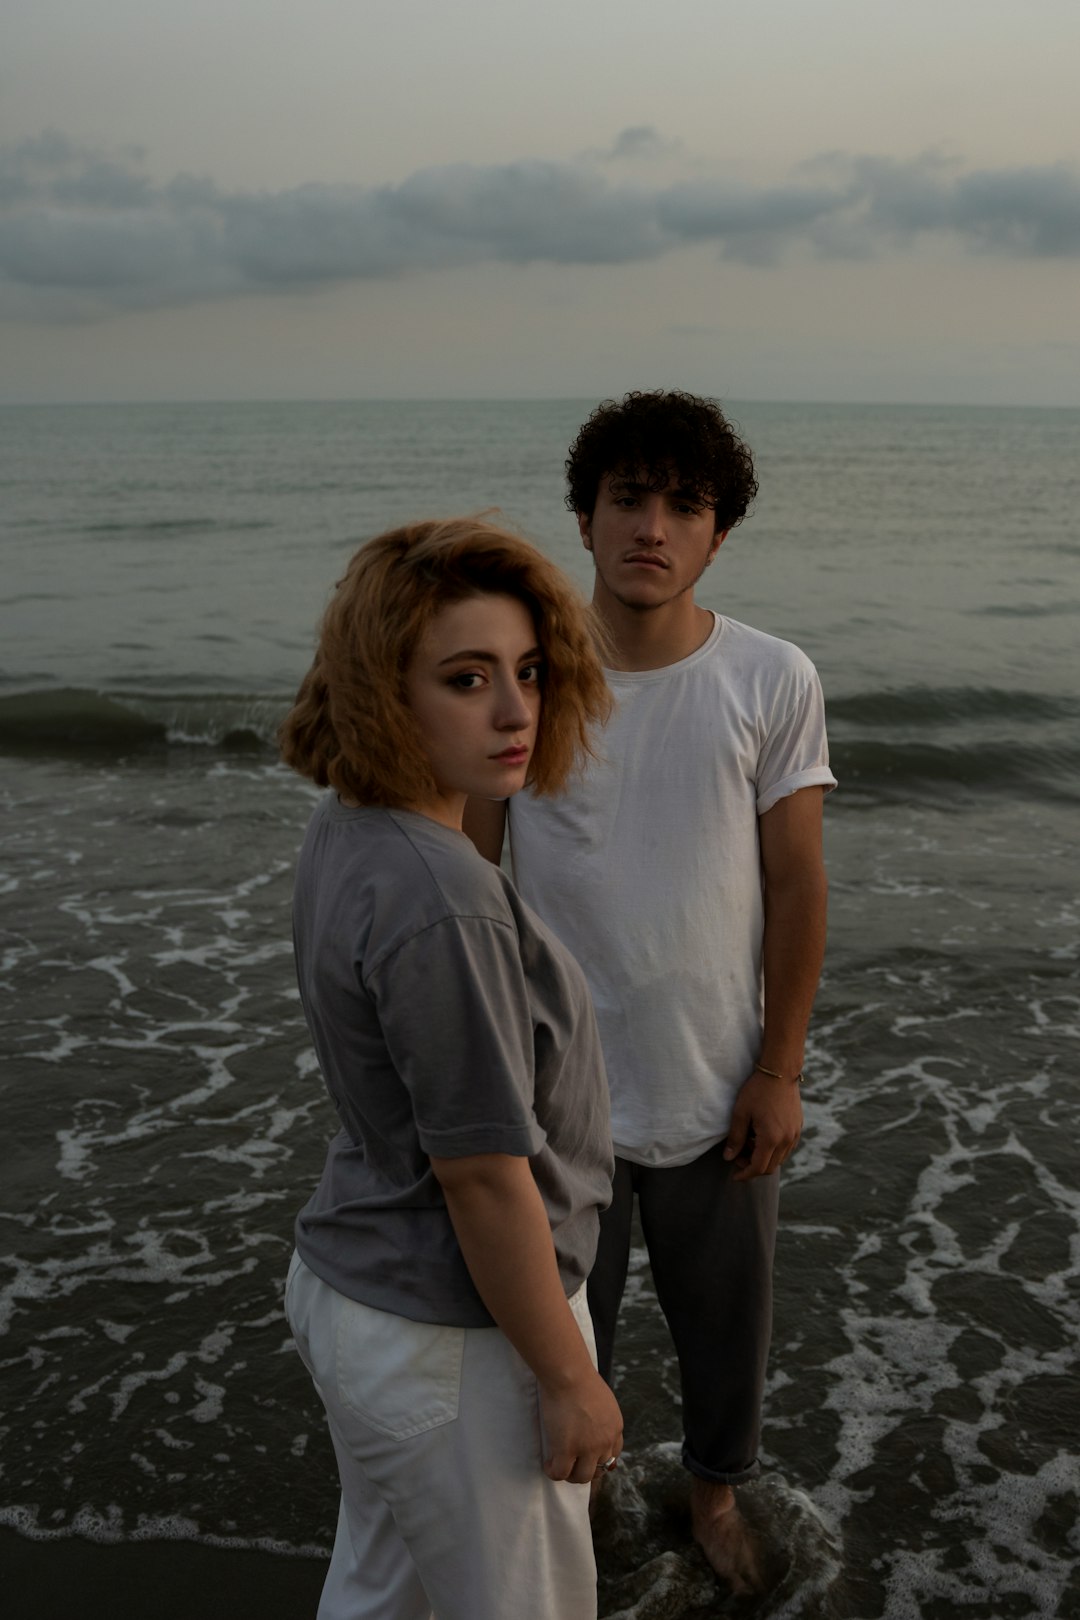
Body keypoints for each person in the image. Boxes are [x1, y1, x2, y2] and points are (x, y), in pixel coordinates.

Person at [464, 390, 836, 1594]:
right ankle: (576, 1511)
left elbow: (797, 885)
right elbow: (466, 876)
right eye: (630, 497)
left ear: (717, 534)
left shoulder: (770, 678)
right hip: (552, 1100)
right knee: (563, 1343)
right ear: (584, 515)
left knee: (728, 1333)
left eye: (685, 505)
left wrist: (777, 1069)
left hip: (714, 1078)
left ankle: (715, 1495)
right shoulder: (530, 679)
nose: (653, 526)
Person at [279, 516, 623, 1620]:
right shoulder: (445, 896)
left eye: (528, 671)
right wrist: (571, 1380)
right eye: (468, 679)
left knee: (384, 1594)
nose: (517, 710)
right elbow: (482, 1176)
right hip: (455, 1341)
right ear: (387, 692)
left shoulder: (352, 831)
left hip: (362, 1296)